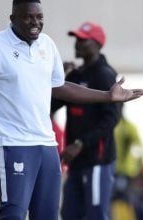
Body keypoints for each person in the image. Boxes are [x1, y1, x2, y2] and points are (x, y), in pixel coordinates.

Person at [0, 1, 143, 219]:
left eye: (39, 17)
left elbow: (60, 88)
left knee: (48, 215)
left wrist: (107, 96)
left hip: (47, 145)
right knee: (14, 214)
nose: (35, 22)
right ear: (13, 18)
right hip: (12, 144)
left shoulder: (47, 45)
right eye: (28, 16)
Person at [51, 21, 120, 220]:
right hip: (76, 161)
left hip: (97, 161)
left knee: (96, 215)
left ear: (97, 44)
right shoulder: (76, 74)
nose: (77, 44)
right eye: (76, 39)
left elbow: (112, 119)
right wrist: (60, 78)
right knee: (70, 214)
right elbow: (49, 107)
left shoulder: (105, 75)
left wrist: (81, 144)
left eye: (83, 40)